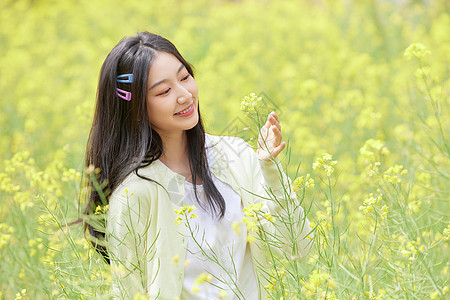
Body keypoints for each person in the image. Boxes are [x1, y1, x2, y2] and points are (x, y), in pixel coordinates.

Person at [83, 31, 313, 300]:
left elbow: (298, 247)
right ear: (135, 110)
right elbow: (128, 292)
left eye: (185, 77)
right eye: (164, 91)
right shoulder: (135, 193)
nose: (184, 95)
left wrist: (270, 170)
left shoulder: (235, 155)